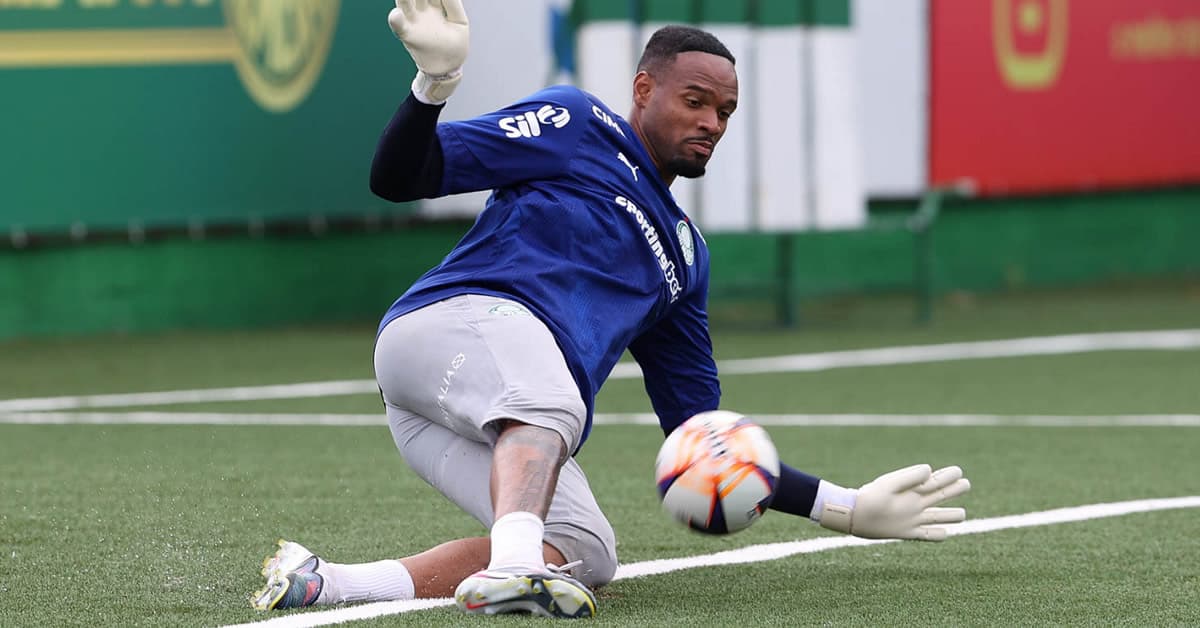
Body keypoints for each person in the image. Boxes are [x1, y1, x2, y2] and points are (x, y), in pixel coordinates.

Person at [252, 0, 971, 619]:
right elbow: (401, 177)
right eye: (695, 100)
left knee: (586, 553)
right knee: (550, 401)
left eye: (725, 111)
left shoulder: (686, 257)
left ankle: (330, 584)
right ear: (642, 88)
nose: (712, 121)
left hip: (458, 410)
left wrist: (842, 508)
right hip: (445, 330)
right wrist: (434, 84)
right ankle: (512, 569)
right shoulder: (576, 122)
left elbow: (699, 436)